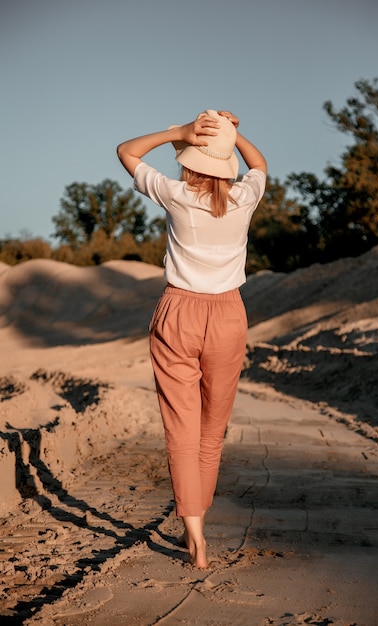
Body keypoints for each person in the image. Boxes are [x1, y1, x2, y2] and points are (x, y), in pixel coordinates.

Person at [117, 109, 267, 568]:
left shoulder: (177, 195)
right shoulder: (244, 198)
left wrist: (175, 133)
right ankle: (199, 524)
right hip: (228, 317)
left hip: (178, 312)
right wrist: (235, 136)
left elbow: (126, 151)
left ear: (190, 161)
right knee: (210, 432)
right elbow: (260, 166)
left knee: (180, 430)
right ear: (225, 167)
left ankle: (194, 534)